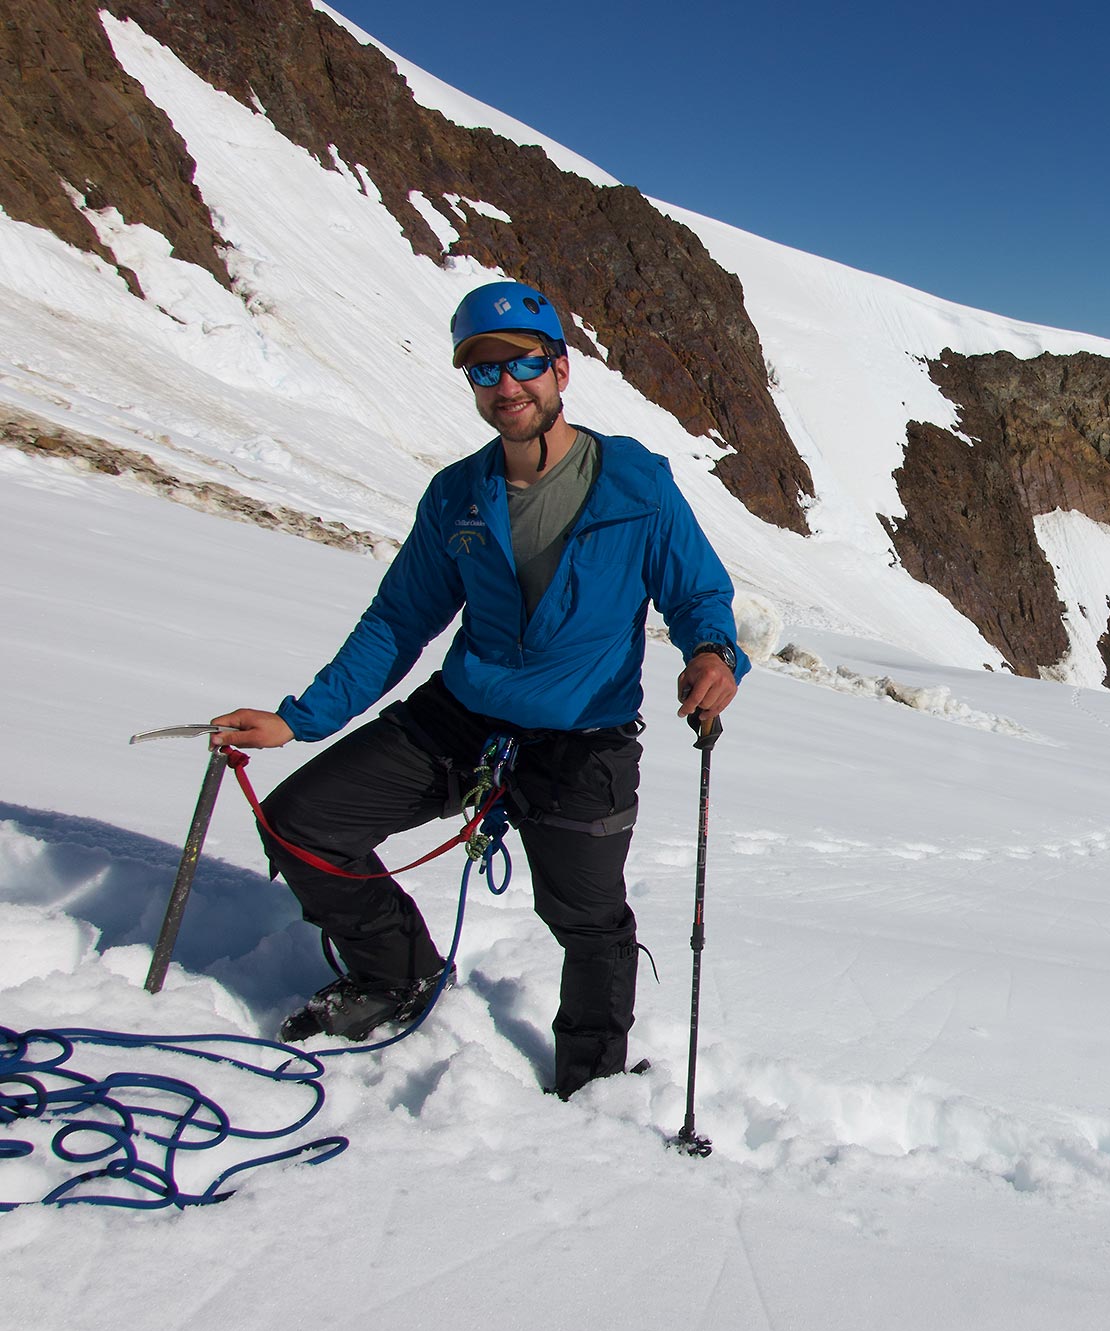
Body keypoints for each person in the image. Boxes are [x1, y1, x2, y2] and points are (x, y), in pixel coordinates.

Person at [212, 280, 745, 1098]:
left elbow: (699, 595)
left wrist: (714, 655)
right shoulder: (458, 495)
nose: (506, 386)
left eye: (524, 363)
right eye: (483, 371)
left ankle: (592, 1076)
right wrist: (299, 720)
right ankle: (398, 976)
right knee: (302, 824)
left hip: (583, 738)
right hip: (461, 720)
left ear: (560, 370)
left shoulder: (637, 485)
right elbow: (399, 619)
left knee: (587, 921)